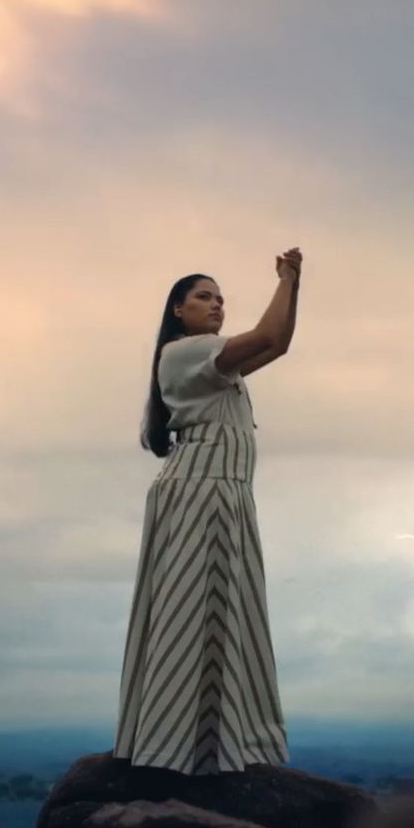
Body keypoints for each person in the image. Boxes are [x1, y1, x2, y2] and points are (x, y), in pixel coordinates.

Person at [114, 247, 302, 774]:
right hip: (202, 489)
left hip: (223, 492)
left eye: (221, 299)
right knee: (191, 618)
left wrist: (294, 284)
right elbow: (266, 337)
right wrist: (285, 279)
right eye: (204, 296)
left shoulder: (215, 363)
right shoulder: (184, 351)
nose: (217, 305)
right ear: (178, 309)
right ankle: (170, 751)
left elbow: (279, 343)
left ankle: (214, 748)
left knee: (223, 619)